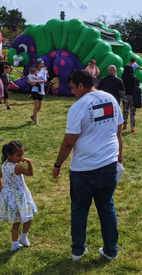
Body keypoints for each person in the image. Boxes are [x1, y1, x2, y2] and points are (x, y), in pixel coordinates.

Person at [53, 69, 123, 262]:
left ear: (81, 85)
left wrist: (57, 164)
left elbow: (69, 142)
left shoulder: (78, 107)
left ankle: (78, 251)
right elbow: (118, 132)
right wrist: (119, 156)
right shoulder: (111, 99)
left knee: (79, 209)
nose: (72, 91)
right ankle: (111, 250)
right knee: (106, 206)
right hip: (109, 162)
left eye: (73, 87)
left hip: (83, 168)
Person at [0, 140, 37, 251]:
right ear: (9, 155)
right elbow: (30, 173)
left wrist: (2, 190)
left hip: (9, 197)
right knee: (28, 216)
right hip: (20, 196)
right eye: (18, 155)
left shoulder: (4, 165)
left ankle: (15, 244)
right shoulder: (17, 167)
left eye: (22, 154)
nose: (21, 157)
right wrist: (30, 162)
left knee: (16, 221)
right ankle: (23, 237)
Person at [121, 65, 138, 133]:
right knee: (132, 113)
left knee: (125, 112)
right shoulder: (134, 78)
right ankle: (132, 128)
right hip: (132, 97)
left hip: (125, 96)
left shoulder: (122, 78)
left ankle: (124, 125)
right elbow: (138, 86)